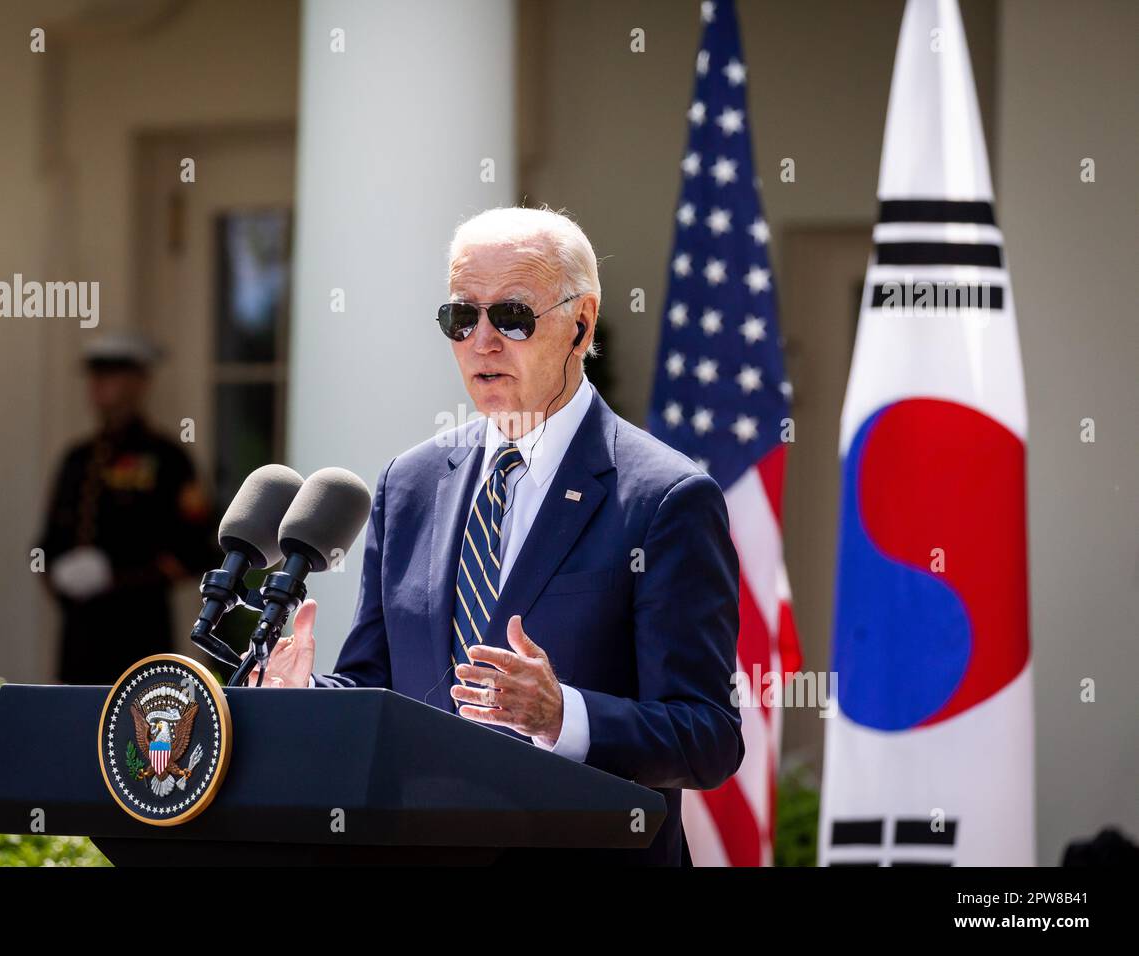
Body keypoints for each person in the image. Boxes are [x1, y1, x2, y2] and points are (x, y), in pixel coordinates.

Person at [251, 207, 742, 865]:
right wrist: (305, 696)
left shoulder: (664, 499)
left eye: (511, 315)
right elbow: (382, 693)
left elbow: (707, 738)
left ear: (581, 322)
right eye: (461, 318)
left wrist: (560, 715)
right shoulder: (411, 483)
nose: (482, 341)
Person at [37, 332, 214, 684]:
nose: (99, 384)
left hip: (140, 630)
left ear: (140, 382)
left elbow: (197, 549)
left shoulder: (167, 458)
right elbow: (49, 538)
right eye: (95, 375)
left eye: (112, 374)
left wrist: (118, 578)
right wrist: (58, 574)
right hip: (80, 636)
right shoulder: (77, 458)